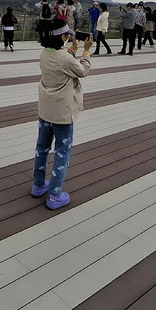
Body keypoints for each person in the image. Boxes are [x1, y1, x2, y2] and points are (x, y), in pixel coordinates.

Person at [30, 18, 92, 210]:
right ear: (62, 37)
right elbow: (81, 70)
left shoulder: (45, 54)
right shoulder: (64, 58)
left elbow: (63, 62)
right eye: (67, 35)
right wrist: (86, 51)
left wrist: (72, 49)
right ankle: (55, 195)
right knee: (62, 153)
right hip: (63, 115)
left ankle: (38, 185)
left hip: (46, 110)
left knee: (42, 148)